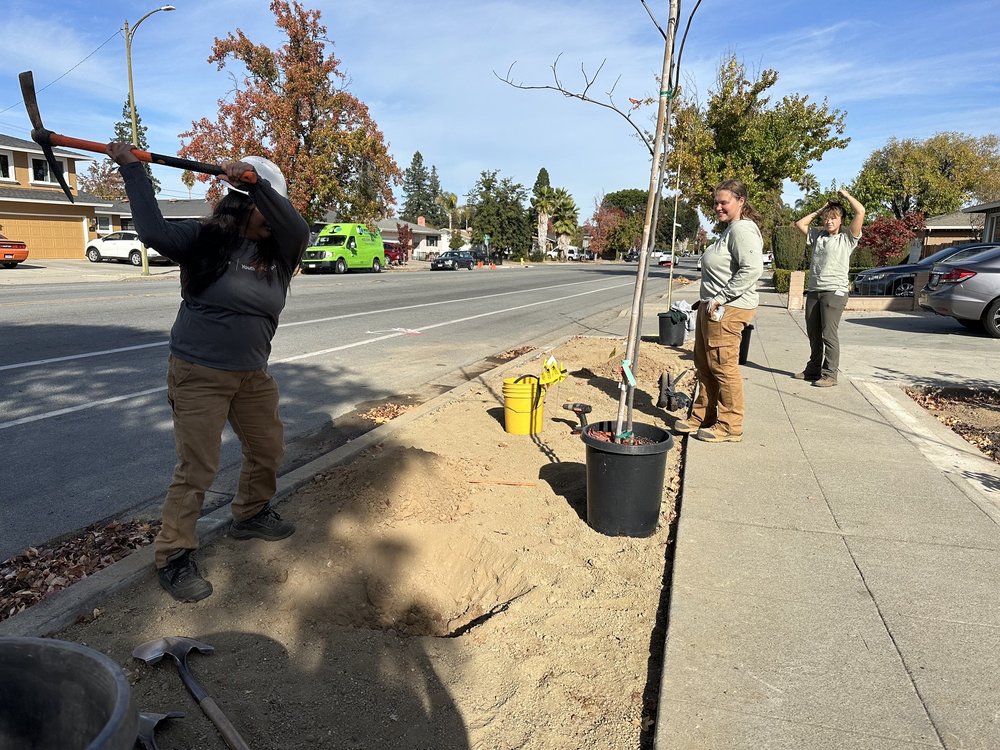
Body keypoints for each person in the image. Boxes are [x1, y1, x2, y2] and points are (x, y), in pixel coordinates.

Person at [107, 143, 310, 602]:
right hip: (197, 372)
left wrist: (259, 185)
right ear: (242, 205)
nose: (271, 220)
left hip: (252, 375)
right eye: (262, 210)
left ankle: (251, 514)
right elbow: (151, 229)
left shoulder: (282, 252)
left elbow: (295, 224)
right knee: (197, 466)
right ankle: (174, 555)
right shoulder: (204, 241)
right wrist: (133, 170)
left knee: (269, 448)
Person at [674, 179, 764, 443]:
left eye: (724, 202)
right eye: (716, 202)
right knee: (705, 365)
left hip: (729, 309)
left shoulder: (742, 230)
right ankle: (703, 416)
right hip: (711, 308)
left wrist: (722, 297)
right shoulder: (729, 230)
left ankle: (730, 425)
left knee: (723, 367)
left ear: (740, 201)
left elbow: (752, 269)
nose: (718, 207)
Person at [793, 189, 866, 387]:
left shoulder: (847, 238)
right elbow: (800, 223)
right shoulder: (818, 236)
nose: (829, 221)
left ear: (841, 221)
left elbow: (860, 212)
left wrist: (847, 196)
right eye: (827, 218)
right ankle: (813, 369)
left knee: (828, 334)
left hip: (835, 291)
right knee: (813, 332)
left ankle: (830, 374)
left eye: (833, 218)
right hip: (815, 290)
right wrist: (822, 208)